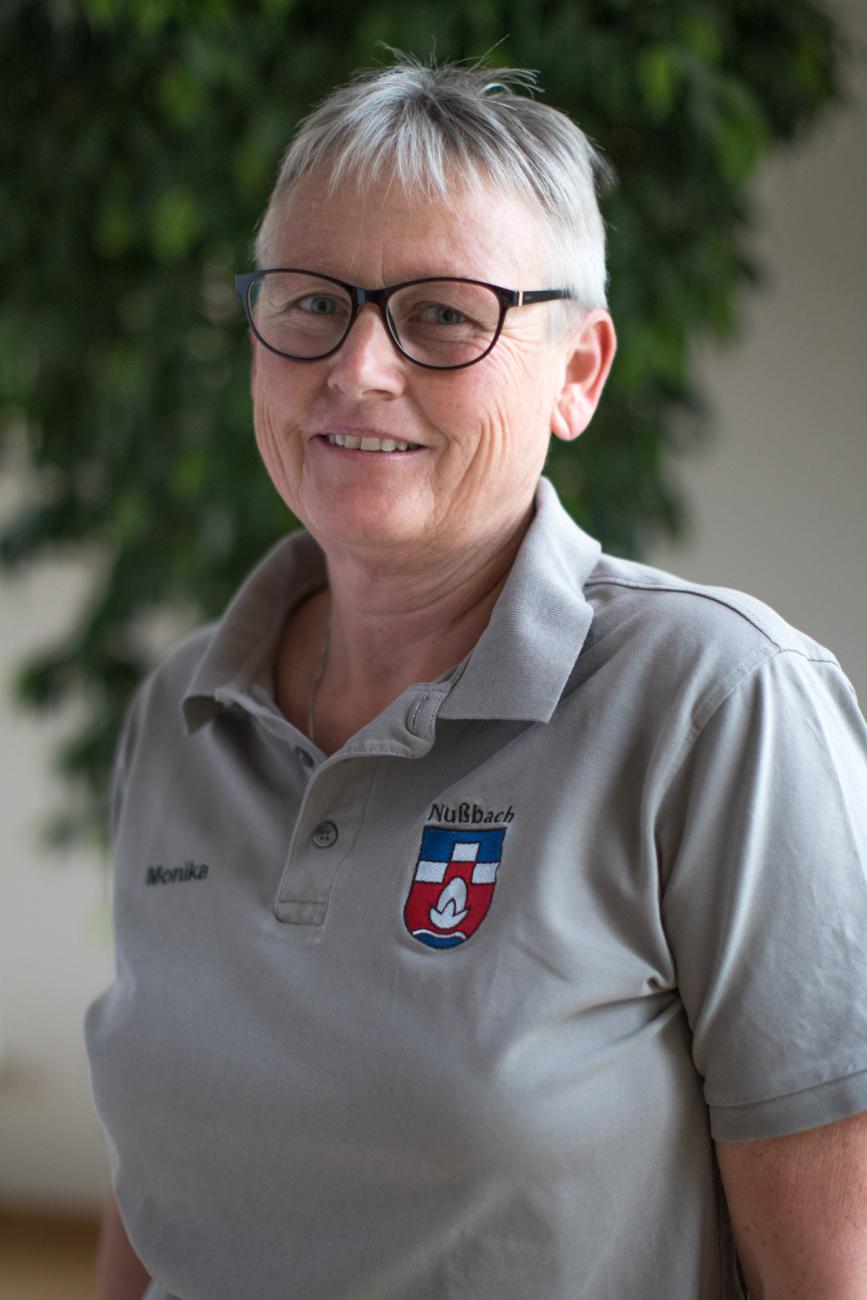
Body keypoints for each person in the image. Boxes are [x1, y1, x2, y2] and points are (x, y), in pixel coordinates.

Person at [85, 57, 867, 1300]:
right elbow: (156, 1193)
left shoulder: (720, 705)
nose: (356, 368)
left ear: (579, 373)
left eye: (446, 314)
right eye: (311, 302)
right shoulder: (184, 708)